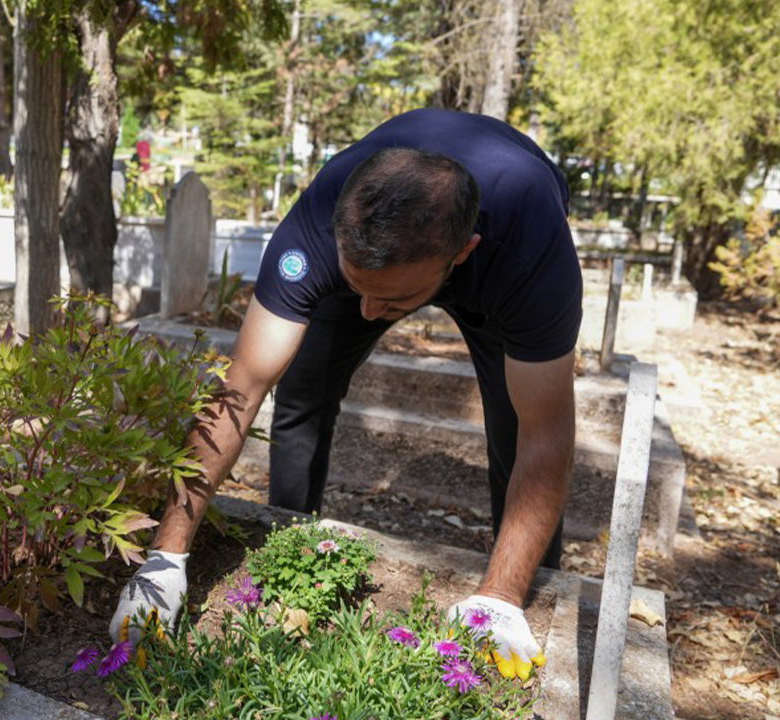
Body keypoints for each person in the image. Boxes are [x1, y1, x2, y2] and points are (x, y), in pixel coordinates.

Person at [109, 109, 582, 682]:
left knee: (515, 430)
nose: (369, 313)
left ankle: (513, 600)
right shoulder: (320, 217)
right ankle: (290, 538)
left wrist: (499, 596)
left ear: (463, 253)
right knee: (302, 393)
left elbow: (546, 433)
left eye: (392, 301)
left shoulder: (530, 244)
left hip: (502, 254)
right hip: (384, 246)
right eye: (358, 288)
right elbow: (241, 387)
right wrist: (166, 555)